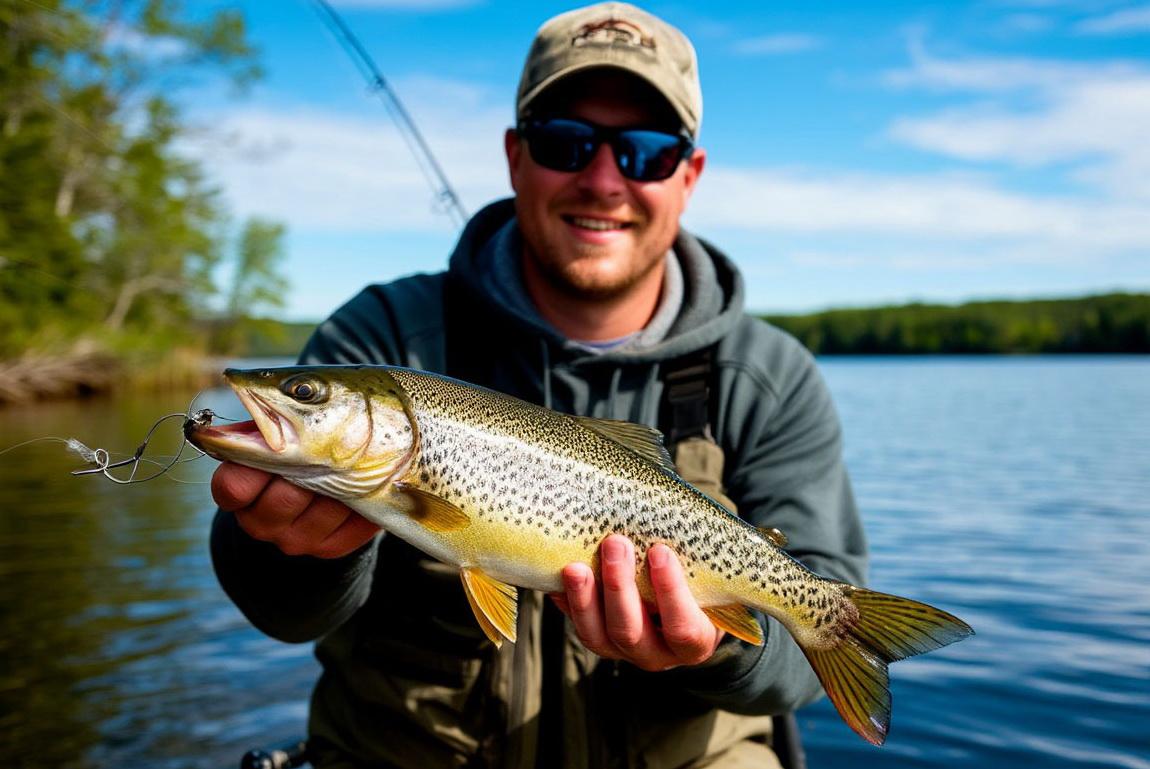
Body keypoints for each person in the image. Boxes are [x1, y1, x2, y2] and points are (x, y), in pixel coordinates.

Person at [210, 3, 867, 768]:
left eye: (647, 152)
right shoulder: (386, 334)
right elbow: (281, 616)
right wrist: (289, 547)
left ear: (688, 177)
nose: (602, 180)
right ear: (516, 156)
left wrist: (718, 644)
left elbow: (797, 674)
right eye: (566, 142)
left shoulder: (771, 378)